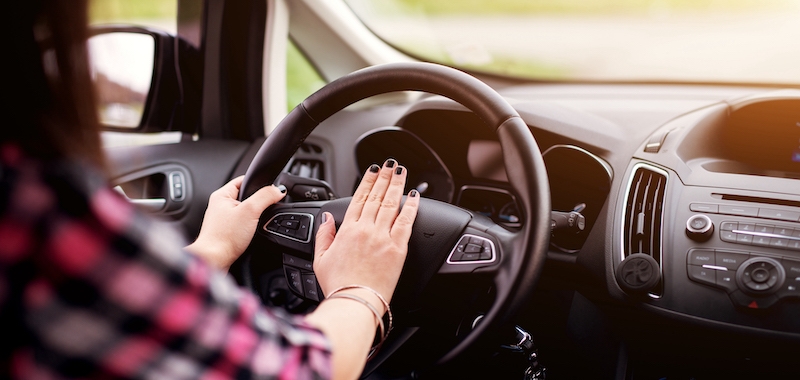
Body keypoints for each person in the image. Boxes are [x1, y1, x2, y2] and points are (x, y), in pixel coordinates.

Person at [0, 1, 420, 379]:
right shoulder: (40, 208)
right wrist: (361, 287)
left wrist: (214, 248)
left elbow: (107, 310)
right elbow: (300, 371)